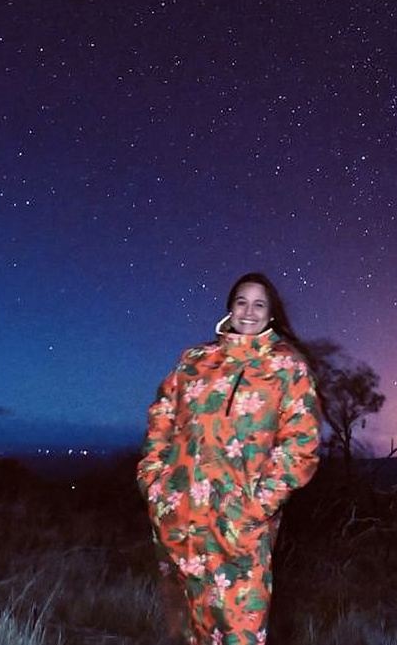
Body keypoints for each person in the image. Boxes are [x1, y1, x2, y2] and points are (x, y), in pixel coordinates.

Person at [136, 272, 322, 644]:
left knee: (241, 630)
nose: (248, 311)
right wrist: (154, 483)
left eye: (259, 304)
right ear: (229, 308)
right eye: (241, 301)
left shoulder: (287, 367)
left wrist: (258, 505)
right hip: (181, 516)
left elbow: (301, 444)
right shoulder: (194, 360)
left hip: (240, 525)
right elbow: (162, 418)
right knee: (189, 628)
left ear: (271, 314)